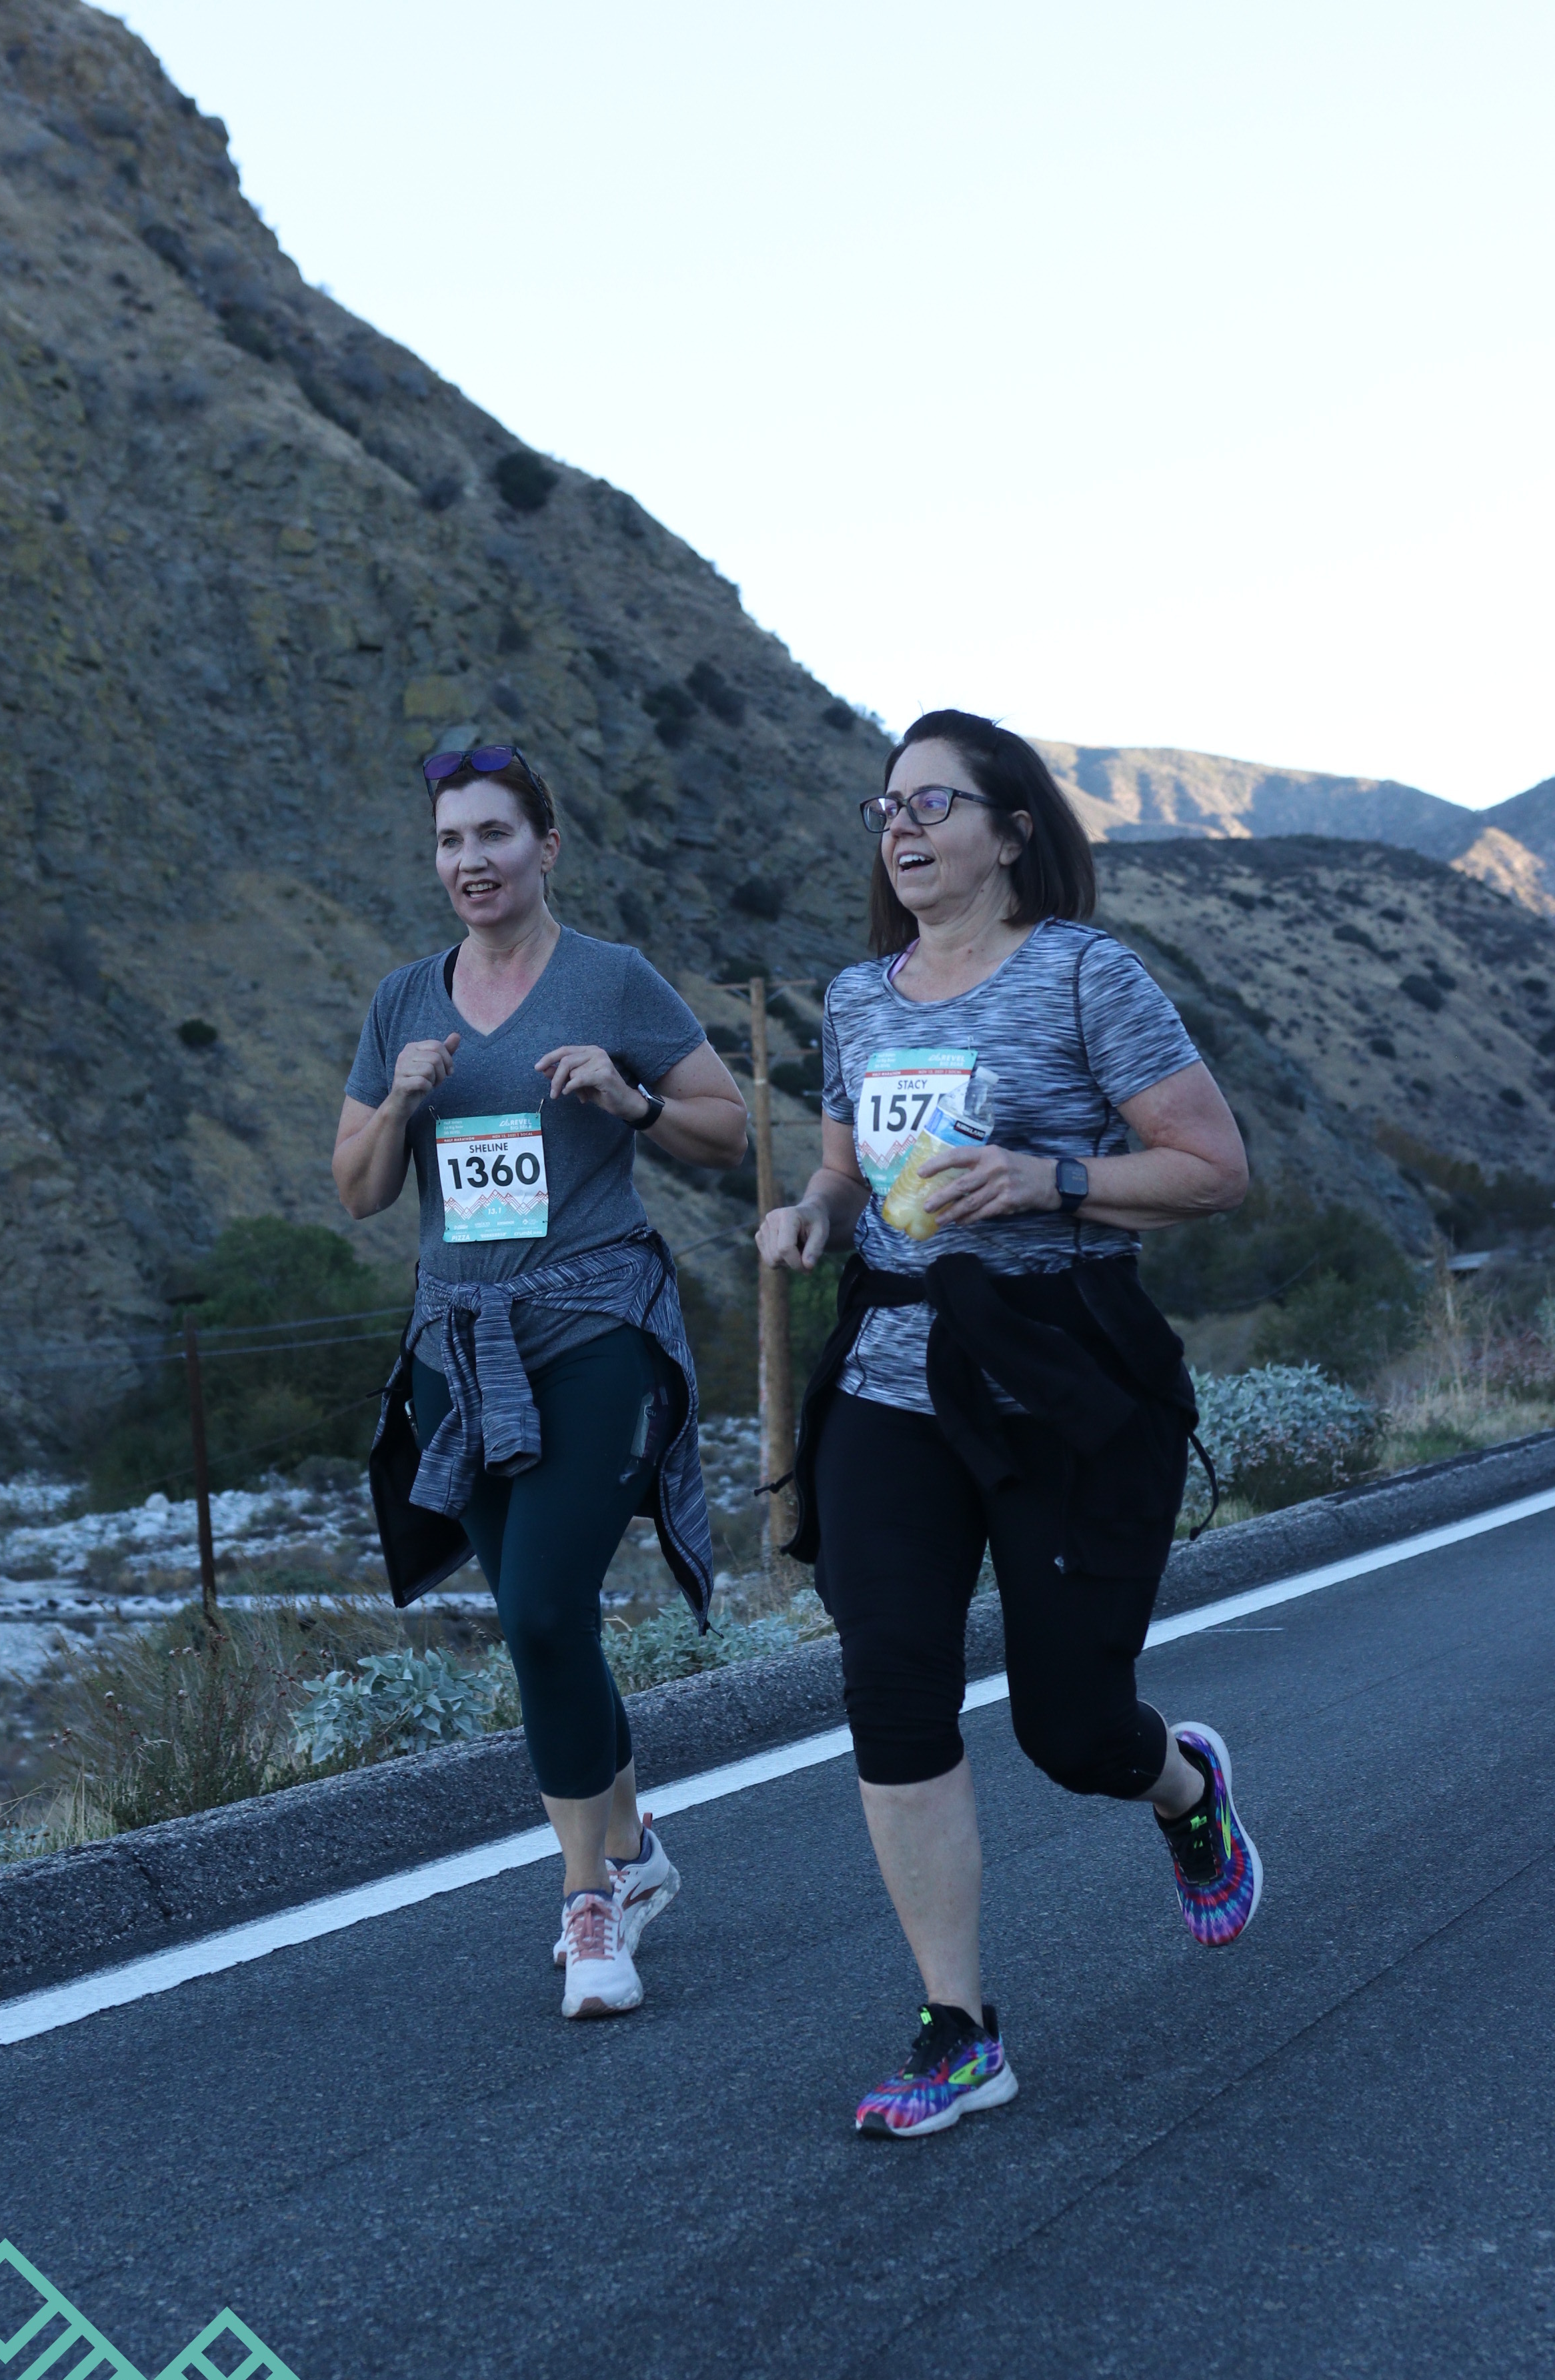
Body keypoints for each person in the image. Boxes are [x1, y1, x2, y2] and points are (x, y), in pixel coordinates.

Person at [757, 710, 1260, 2139]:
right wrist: (809, 1215)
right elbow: (846, 1174)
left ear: (1011, 828)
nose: (902, 829)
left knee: (1071, 1728)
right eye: (887, 808)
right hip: (890, 1378)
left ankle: (1182, 1789)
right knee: (891, 1686)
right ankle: (957, 2027)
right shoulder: (857, 999)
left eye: (934, 804)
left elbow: (1210, 1168)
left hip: (1059, 1381)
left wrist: (1048, 1179)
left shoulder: (1085, 975)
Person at [334, 742, 747, 2020]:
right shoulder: (404, 1002)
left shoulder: (611, 981)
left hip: (593, 1328)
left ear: (546, 847)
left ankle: (588, 1902)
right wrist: (399, 1104)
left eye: (495, 835)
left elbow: (727, 1132)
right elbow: (358, 1191)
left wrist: (629, 1098)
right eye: (451, 841)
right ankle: (633, 1847)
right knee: (538, 1622)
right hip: (458, 1346)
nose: (472, 861)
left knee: (545, 1606)